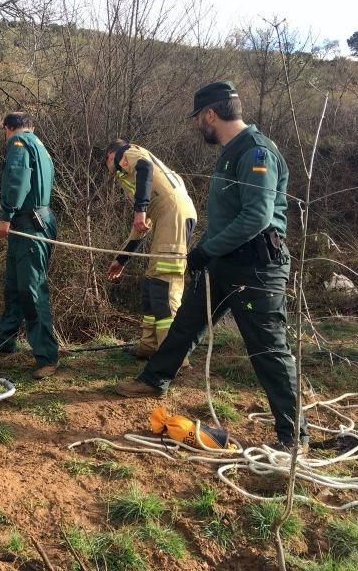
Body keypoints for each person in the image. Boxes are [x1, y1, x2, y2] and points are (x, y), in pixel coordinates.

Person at [115, 81, 308, 452]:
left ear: (210, 114)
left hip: (254, 268)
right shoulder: (230, 151)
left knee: (268, 348)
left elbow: (256, 217)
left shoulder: (256, 153)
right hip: (223, 262)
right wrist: (207, 251)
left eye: (198, 119)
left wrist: (207, 248)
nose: (197, 126)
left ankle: (293, 436)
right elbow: (231, 216)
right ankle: (155, 379)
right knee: (187, 322)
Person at [104, 139, 197, 368]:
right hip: (169, 215)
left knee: (164, 287)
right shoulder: (140, 179)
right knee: (151, 284)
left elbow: (144, 167)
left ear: (110, 156)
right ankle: (149, 346)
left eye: (106, 162)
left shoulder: (128, 153)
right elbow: (141, 227)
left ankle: (173, 359)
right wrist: (122, 259)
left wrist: (140, 209)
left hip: (173, 217)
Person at [0, 113, 59, 379]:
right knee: (14, 283)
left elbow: (17, 179)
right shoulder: (39, 145)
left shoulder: (18, 144)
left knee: (32, 289)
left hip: (29, 224)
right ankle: (5, 340)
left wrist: (6, 215)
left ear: (7, 128)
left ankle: (47, 357)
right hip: (34, 221)